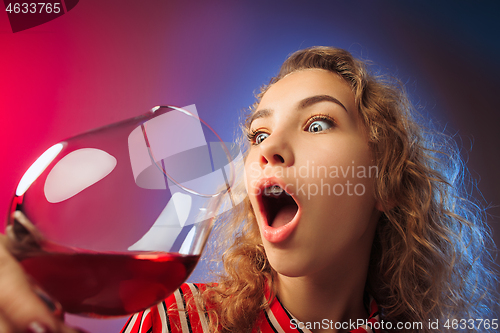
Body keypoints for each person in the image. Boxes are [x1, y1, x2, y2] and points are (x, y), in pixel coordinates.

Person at [0, 46, 497, 333]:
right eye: (258, 134)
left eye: (318, 124)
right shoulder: (180, 320)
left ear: (384, 180)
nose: (268, 148)